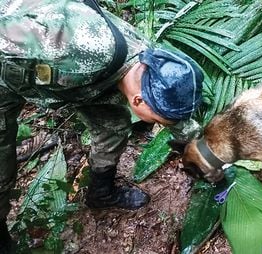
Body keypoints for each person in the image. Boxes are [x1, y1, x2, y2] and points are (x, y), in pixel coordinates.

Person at [0, 0, 203, 252]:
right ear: (138, 100)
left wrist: (204, 152)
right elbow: (10, 34)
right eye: (158, 121)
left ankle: (101, 193)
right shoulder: (79, 53)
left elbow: (175, 116)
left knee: (113, 126)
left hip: (76, 82)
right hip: (8, 67)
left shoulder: (150, 63)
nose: (159, 125)